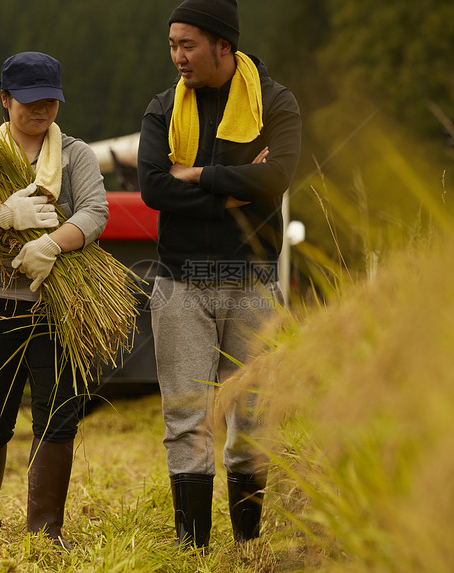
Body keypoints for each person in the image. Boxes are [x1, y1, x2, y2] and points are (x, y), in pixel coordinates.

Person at [137, 0, 301, 549]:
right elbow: (155, 189)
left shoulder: (276, 103)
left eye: (187, 45)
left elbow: (275, 180)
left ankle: (247, 548)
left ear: (223, 47)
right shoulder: (162, 108)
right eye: (171, 45)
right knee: (187, 420)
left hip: (253, 285)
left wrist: (199, 175)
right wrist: (234, 189)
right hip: (180, 286)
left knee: (252, 420)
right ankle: (194, 552)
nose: (177, 56)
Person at [0, 51, 108, 551]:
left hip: (58, 306)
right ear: (5, 100)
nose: (42, 111)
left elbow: (95, 212)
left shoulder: (75, 155)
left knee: (59, 413)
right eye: (30, 102)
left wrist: (50, 243)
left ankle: (45, 531)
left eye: (50, 101)